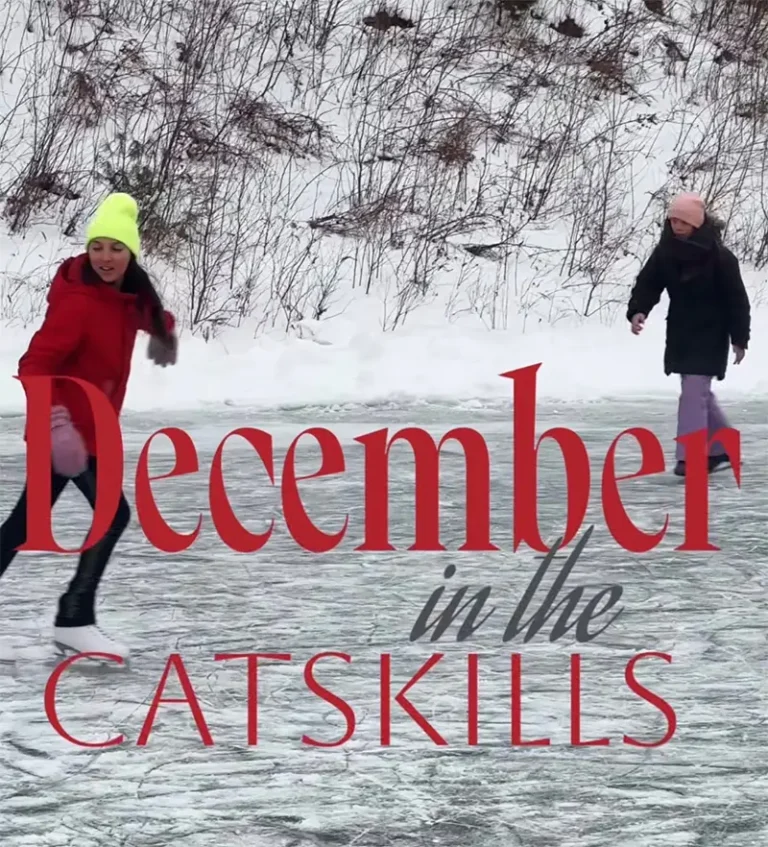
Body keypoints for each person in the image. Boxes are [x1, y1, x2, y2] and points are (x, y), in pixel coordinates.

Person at [0, 193, 178, 664]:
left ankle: (74, 619)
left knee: (24, 523)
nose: (105, 257)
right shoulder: (79, 302)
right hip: (66, 433)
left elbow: (131, 311)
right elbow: (34, 364)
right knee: (111, 515)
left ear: (131, 254)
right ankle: (74, 620)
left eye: (115, 248)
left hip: (87, 432)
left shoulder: (118, 295)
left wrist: (163, 329)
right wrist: (58, 427)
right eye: (97, 246)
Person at [627, 192, 751, 477]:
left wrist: (739, 338)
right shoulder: (665, 252)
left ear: (696, 223)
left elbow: (737, 301)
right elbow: (648, 283)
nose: (676, 226)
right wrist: (638, 310)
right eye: (672, 220)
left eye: (682, 221)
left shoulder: (720, 257)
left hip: (711, 332)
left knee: (693, 392)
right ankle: (723, 448)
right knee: (699, 393)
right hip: (682, 331)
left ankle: (691, 456)